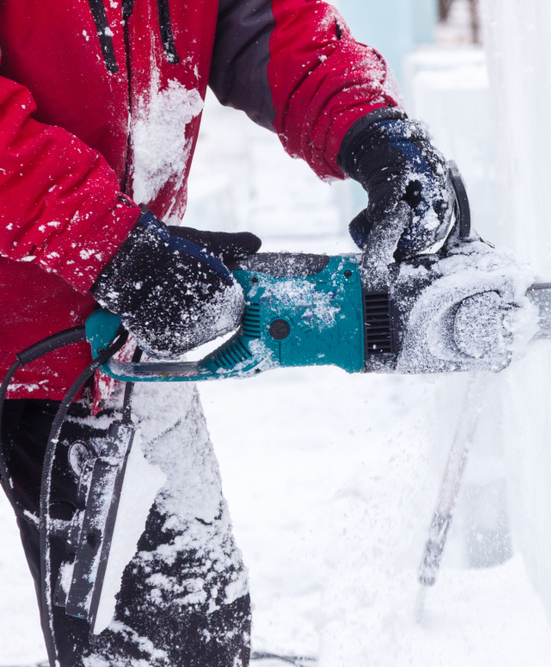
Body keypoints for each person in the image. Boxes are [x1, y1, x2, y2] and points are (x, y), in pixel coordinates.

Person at [0, 1, 454, 665]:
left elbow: (266, 24)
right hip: (57, 292)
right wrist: (113, 248)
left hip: (108, 337)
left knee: (187, 633)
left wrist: (374, 129)